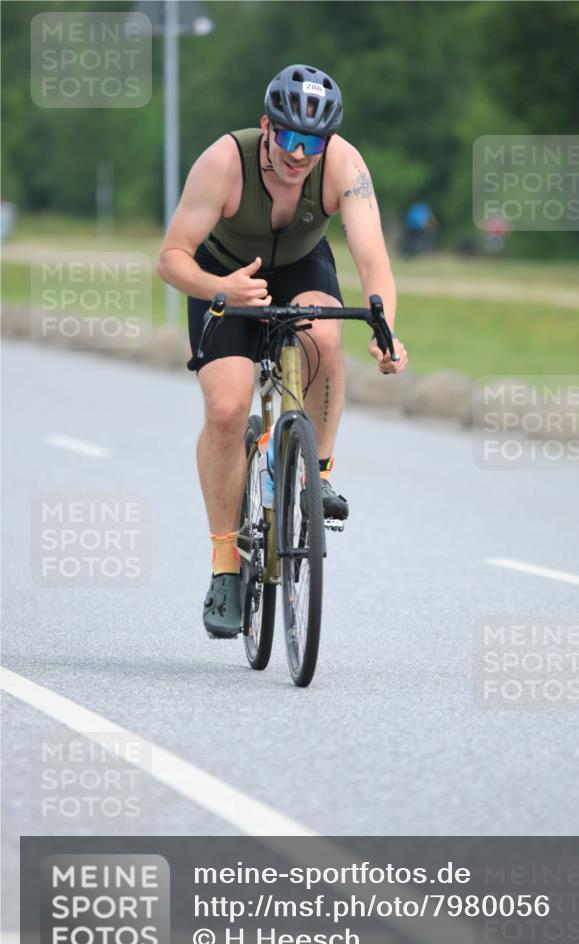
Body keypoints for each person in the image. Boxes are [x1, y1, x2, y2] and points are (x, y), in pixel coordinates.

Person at [157, 64, 407, 639]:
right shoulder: (224, 162)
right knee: (226, 408)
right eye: (289, 138)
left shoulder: (344, 165)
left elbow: (374, 263)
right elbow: (172, 257)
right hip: (223, 273)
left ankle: (316, 474)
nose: (300, 155)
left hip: (300, 266)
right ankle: (225, 566)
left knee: (324, 334)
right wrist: (221, 290)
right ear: (267, 127)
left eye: (313, 142)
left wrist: (385, 326)